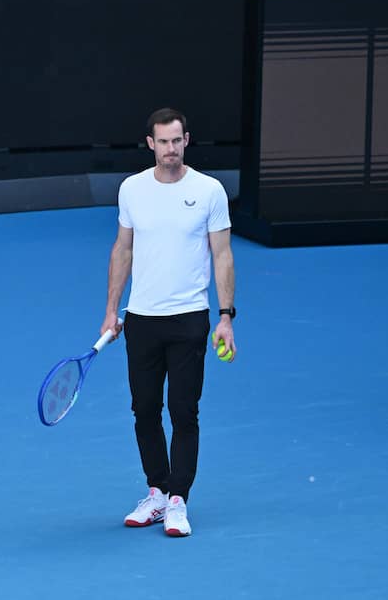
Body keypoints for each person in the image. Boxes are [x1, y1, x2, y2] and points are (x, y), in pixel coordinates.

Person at [100, 108, 236, 537]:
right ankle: (157, 491)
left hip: (189, 320)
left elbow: (222, 255)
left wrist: (226, 316)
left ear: (186, 141)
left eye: (177, 141)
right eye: (163, 142)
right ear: (150, 144)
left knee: (183, 410)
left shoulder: (210, 191)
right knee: (144, 410)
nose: (170, 149)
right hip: (141, 320)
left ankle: (179, 499)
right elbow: (123, 250)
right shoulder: (132, 190)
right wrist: (111, 309)